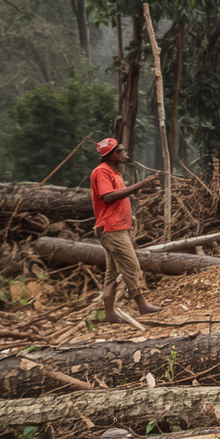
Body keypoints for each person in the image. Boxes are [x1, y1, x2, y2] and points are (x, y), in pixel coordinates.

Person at [89, 137, 161, 323]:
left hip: (118, 227)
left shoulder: (114, 173)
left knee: (112, 272)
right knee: (131, 265)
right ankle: (142, 305)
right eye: (120, 151)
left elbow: (121, 195)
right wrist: (140, 185)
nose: (124, 154)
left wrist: (144, 187)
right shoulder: (101, 172)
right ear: (110, 155)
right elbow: (108, 197)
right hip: (111, 228)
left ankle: (109, 313)